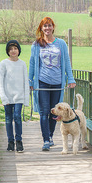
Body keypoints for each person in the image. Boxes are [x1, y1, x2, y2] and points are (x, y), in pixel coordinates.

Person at [29, 17, 76, 151]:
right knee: (44, 111)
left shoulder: (61, 44)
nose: (47, 28)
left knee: (54, 113)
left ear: (53, 27)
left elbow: (66, 62)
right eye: (45, 26)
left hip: (57, 84)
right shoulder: (36, 44)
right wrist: (30, 80)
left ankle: (50, 136)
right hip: (42, 83)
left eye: (49, 26)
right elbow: (32, 63)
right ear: (41, 28)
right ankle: (46, 140)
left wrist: (71, 79)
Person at [0, 40, 29, 152]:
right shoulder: (4, 63)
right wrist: (3, 97)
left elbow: (26, 82)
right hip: (7, 97)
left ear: (18, 50)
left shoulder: (22, 64)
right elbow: (0, 81)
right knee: (8, 119)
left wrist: (26, 99)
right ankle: (10, 141)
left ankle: (19, 141)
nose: (13, 51)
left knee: (17, 117)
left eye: (15, 48)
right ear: (8, 51)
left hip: (19, 97)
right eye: (10, 49)